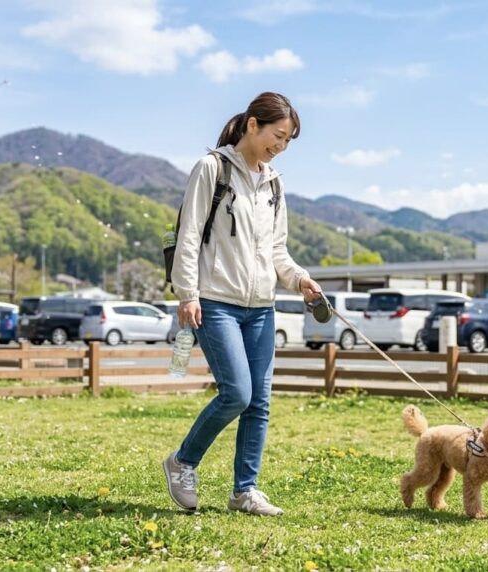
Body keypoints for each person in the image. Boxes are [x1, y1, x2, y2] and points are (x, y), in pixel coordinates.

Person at [163, 92, 322, 516]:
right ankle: (182, 462)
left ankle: (244, 491)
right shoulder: (211, 168)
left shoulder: (274, 183)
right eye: (278, 135)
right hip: (216, 302)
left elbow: (277, 250)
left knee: (260, 400)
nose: (281, 145)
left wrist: (299, 278)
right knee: (237, 393)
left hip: (261, 309)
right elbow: (190, 235)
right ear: (253, 124)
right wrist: (188, 294)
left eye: (289, 140)